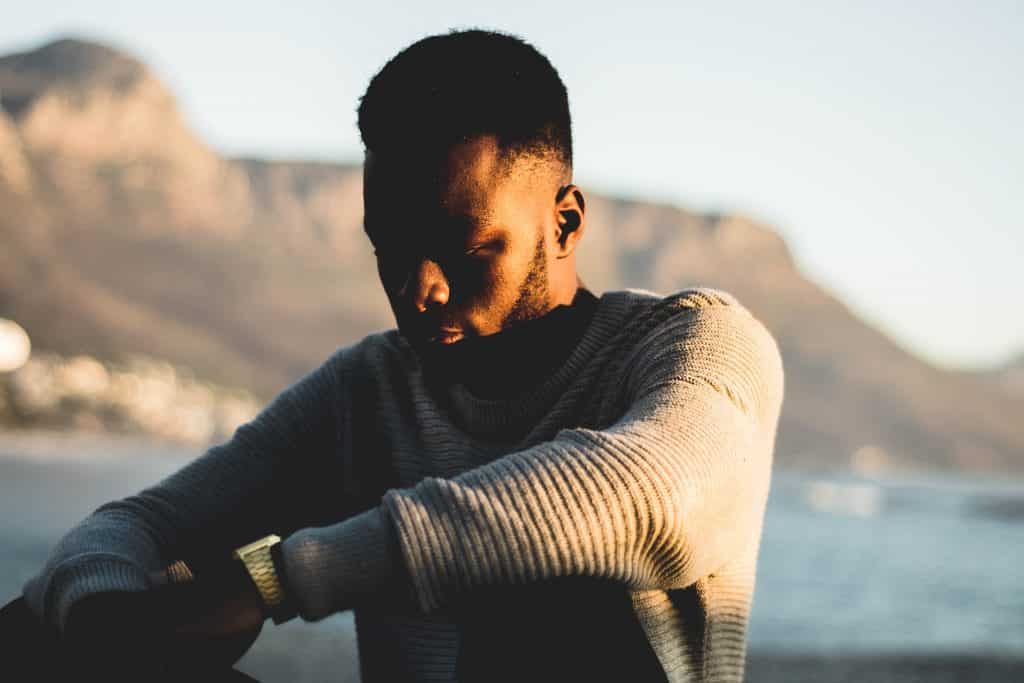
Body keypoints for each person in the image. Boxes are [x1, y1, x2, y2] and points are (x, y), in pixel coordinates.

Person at [17, 29, 784, 682]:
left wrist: (275, 579)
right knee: (30, 632)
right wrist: (101, 622)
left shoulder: (697, 345)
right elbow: (139, 523)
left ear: (566, 221)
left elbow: (645, 489)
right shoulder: (370, 390)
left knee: (546, 595)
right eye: (391, 245)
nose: (421, 288)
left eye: (465, 246)